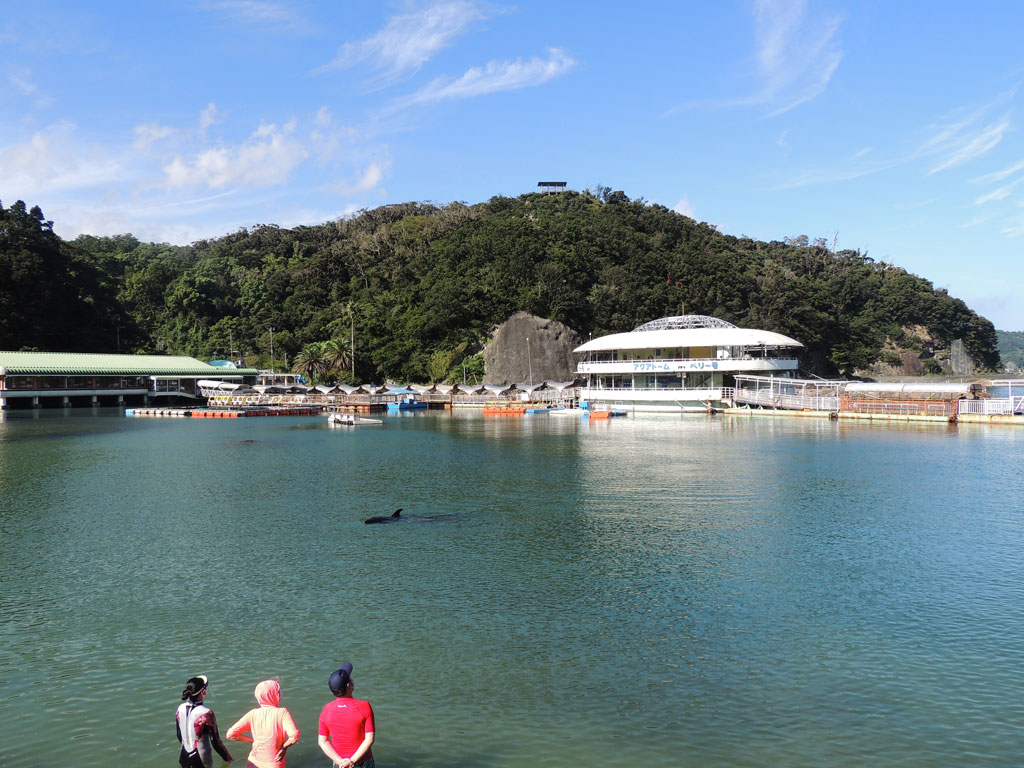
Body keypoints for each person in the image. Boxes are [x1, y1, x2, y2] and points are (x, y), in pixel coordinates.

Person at [226, 679, 300, 768]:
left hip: (253, 762)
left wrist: (251, 740)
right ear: (274, 695)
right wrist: (284, 747)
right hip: (274, 764)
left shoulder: (252, 714)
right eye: (278, 693)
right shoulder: (282, 713)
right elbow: (294, 735)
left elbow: (230, 734)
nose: (280, 695)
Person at [318, 662, 375, 768]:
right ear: (350, 686)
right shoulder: (364, 706)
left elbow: (322, 741)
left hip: (339, 764)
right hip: (362, 762)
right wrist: (351, 761)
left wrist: (340, 761)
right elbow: (369, 739)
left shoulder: (326, 709)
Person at [175, 675, 233, 768]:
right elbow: (216, 742)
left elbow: (179, 735)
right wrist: (228, 759)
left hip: (184, 757)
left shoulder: (180, 708)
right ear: (204, 692)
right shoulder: (206, 713)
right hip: (201, 759)